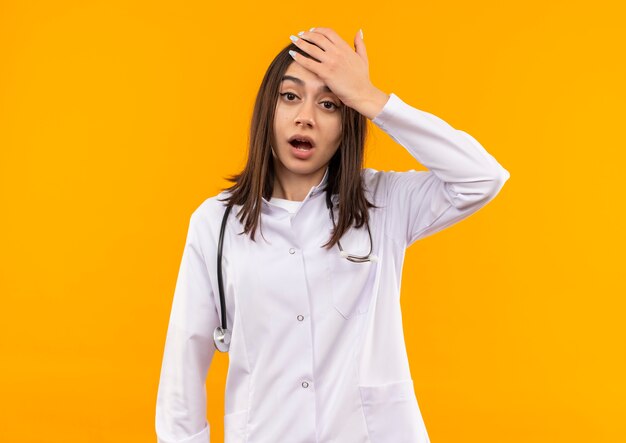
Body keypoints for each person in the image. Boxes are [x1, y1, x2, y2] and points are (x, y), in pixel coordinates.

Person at [155, 27, 510, 443]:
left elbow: (482, 178)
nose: (306, 116)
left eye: (329, 104)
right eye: (290, 96)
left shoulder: (383, 203)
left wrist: (371, 99)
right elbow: (184, 361)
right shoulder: (215, 223)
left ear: (347, 124)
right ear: (267, 110)